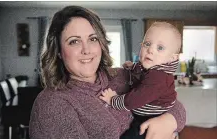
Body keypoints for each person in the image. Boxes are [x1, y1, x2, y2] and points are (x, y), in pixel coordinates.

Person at [29, 6, 186, 139]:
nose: (87, 50)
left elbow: (171, 102)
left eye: (93, 39)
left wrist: (168, 121)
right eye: (74, 41)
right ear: (58, 51)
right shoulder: (51, 104)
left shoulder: (121, 76)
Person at [99, 22, 182, 139]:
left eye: (160, 48)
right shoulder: (153, 68)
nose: (151, 50)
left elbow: (134, 99)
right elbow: (141, 70)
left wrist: (113, 100)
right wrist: (132, 67)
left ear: (172, 58)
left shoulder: (158, 78)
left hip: (150, 118)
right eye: (147, 44)